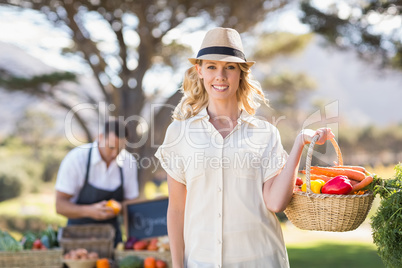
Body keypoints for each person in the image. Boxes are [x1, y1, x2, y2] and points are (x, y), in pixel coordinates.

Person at [155, 27, 334, 267]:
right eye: (212, 67)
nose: (220, 76)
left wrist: (300, 142)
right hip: (201, 261)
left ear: (241, 73)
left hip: (260, 259)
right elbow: (176, 209)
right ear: (199, 71)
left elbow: (275, 203)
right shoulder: (179, 133)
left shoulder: (265, 133)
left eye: (229, 67)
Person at [55, 120, 139, 246]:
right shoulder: (76, 159)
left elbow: (132, 203)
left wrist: (119, 207)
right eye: (111, 147)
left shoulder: (128, 162)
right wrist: (89, 211)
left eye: (120, 149)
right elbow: (60, 205)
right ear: (100, 137)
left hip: (112, 240)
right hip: (77, 239)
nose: (115, 153)